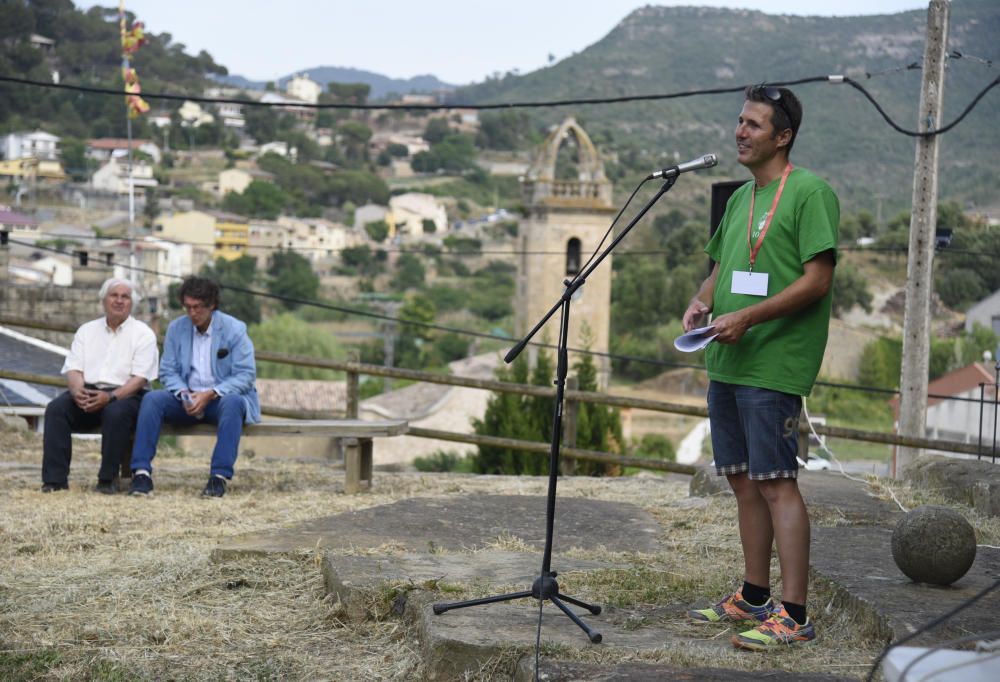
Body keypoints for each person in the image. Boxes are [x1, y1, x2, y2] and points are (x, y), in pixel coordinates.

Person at [683, 85, 839, 650]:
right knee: (743, 480)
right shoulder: (740, 199)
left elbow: (817, 280)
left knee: (777, 483)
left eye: (752, 124)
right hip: (727, 355)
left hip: (774, 363)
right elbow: (720, 269)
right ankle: (754, 596)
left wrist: (748, 316)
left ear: (783, 135)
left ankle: (794, 614)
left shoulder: (810, 192)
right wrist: (702, 301)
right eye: (739, 121)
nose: (739, 132)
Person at [128, 276, 260, 498]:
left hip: (219, 400)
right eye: (187, 307)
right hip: (185, 399)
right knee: (152, 399)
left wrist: (210, 394)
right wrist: (184, 394)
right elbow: (168, 370)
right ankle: (141, 473)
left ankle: (218, 477)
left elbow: (246, 375)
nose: (192, 313)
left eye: (197, 307)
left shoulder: (234, 329)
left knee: (234, 402)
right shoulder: (176, 329)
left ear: (212, 305)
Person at [41, 278, 159, 494]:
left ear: (132, 303)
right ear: (103, 300)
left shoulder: (144, 334)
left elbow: (140, 378)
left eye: (125, 297)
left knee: (116, 413)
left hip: (127, 395)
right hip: (88, 390)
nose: (119, 301)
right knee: (56, 409)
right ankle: (54, 481)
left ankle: (107, 480)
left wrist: (111, 397)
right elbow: (74, 369)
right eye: (114, 295)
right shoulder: (86, 330)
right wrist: (78, 393)